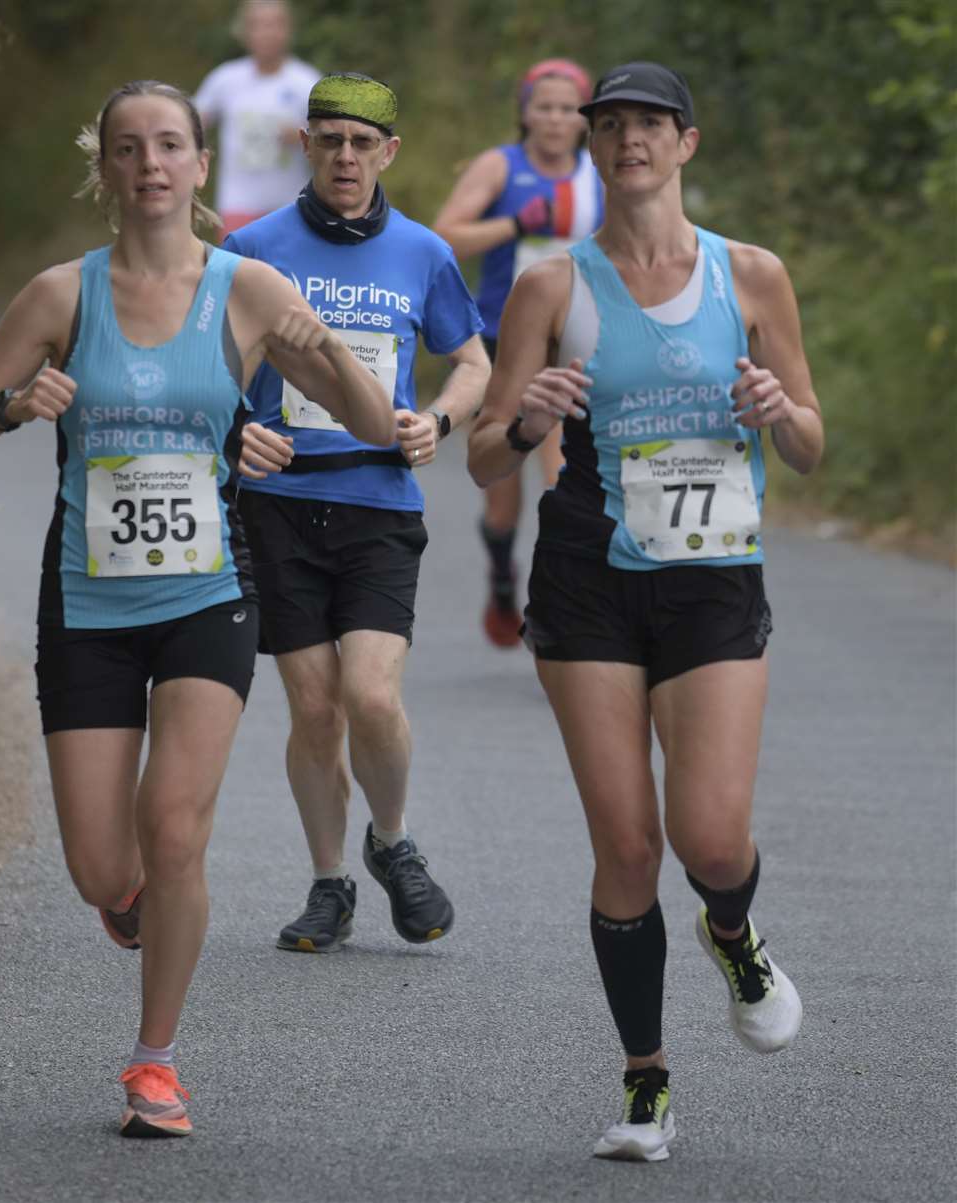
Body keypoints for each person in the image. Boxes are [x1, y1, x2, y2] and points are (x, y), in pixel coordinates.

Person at [0, 79, 393, 1138]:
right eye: (129, 149)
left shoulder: (249, 288)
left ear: (199, 168)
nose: (150, 165)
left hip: (209, 595)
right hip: (88, 599)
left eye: (170, 146)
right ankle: (130, 898)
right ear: (106, 171)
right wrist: (9, 406)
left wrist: (358, 387)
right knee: (107, 864)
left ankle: (154, 1064)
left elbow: (363, 407)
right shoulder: (61, 295)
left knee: (175, 828)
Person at [468, 62, 824, 1162]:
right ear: (590, 142)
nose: (628, 141)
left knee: (709, 837)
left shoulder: (750, 277)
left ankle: (734, 931)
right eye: (608, 124)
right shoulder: (549, 288)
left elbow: (812, 442)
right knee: (626, 843)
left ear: (687, 143)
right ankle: (645, 1082)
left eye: (648, 125)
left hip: (716, 574)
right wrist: (525, 421)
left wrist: (778, 411)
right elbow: (483, 448)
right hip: (588, 578)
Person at [223, 73, 490, 954]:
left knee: (371, 696)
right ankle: (330, 882)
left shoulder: (422, 252)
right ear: (305, 145)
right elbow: (201, 365)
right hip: (282, 502)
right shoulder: (252, 249)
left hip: (379, 498)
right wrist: (233, 433)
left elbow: (474, 363)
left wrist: (439, 418)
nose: (345, 156)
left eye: (361, 143)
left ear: (389, 153)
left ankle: (392, 840)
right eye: (329, 139)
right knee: (315, 709)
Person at [434, 59, 604, 648]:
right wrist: (513, 224)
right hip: (506, 342)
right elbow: (446, 233)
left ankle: (563, 608)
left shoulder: (600, 173)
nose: (555, 120)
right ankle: (504, 575)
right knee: (502, 492)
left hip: (579, 346)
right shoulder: (499, 166)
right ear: (525, 111)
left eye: (567, 109)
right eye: (544, 107)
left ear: (584, 119)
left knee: (562, 479)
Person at [194, 0, 321, 234]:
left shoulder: (307, 81)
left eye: (275, 25)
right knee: (236, 269)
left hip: (290, 205)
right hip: (238, 204)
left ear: (288, 30)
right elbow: (191, 123)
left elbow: (329, 137)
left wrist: (303, 137)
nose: (267, 33)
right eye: (259, 25)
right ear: (245, 32)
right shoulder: (225, 79)